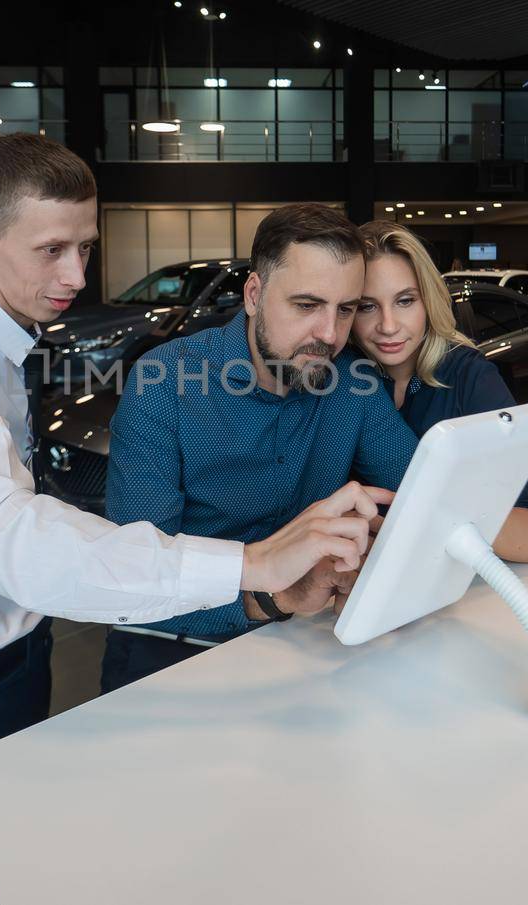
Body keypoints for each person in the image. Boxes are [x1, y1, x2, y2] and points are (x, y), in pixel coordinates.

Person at [0, 134, 383, 905]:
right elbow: (11, 540)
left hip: (18, 660)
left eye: (86, 248)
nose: (77, 276)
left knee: (13, 865)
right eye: (52, 248)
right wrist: (252, 565)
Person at [99, 203, 420, 693]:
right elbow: (140, 580)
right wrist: (278, 595)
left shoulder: (352, 382)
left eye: (346, 309)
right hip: (172, 652)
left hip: (304, 647)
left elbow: (420, 492)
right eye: (307, 305)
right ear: (254, 294)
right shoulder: (163, 386)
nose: (330, 335)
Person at [352, 220, 528, 564]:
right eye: (367, 306)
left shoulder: (470, 379)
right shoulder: (341, 381)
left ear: (428, 301)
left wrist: (429, 516)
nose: (388, 326)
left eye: (405, 301)